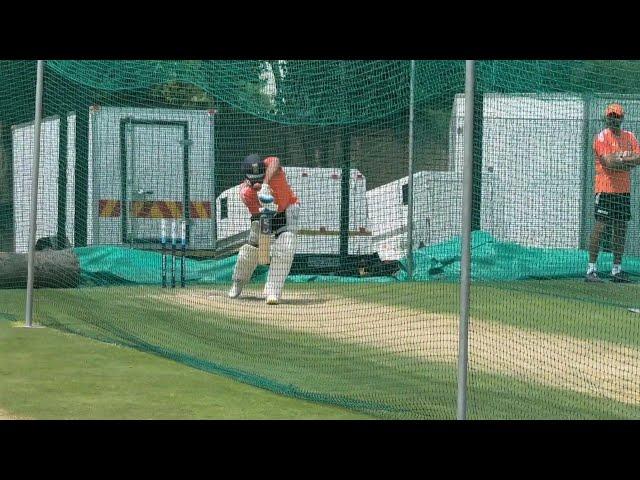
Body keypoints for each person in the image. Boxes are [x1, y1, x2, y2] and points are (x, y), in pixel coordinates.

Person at [228, 154, 300, 304]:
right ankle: (238, 282)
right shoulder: (246, 193)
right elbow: (259, 216)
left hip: (286, 209)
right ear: (247, 180)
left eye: (259, 179)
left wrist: (265, 184)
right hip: (263, 216)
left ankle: (273, 291)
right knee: (251, 250)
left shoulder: (271, 166)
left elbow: (276, 161)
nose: (257, 184)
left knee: (286, 245)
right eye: (254, 182)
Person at [586, 103, 640, 283]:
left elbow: (638, 158)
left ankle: (616, 270)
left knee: (620, 228)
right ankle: (591, 269)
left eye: (616, 117)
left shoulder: (630, 137)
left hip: (623, 190)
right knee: (601, 227)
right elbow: (608, 163)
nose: (613, 120)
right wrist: (627, 160)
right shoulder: (601, 137)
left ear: (622, 118)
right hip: (605, 188)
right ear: (606, 118)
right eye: (610, 116)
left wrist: (619, 159)